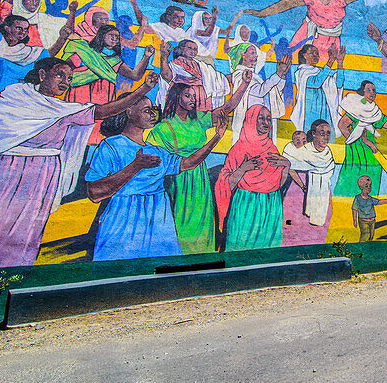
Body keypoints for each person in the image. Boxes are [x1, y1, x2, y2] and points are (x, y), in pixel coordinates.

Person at [0, 60, 155, 270]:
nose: (65, 82)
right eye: (60, 75)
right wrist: (142, 89)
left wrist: (143, 90)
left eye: (69, 79)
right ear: (42, 75)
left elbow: (103, 111)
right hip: (2, 170)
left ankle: (7, 272)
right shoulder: (16, 96)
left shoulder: (64, 110)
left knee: (23, 227)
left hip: (40, 178)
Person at [86, 92, 227, 261]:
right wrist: (135, 166)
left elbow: (187, 164)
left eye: (153, 109)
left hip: (160, 221)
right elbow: (94, 192)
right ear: (129, 111)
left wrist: (217, 137)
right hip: (124, 222)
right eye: (147, 110)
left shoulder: (155, 150)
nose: (153, 113)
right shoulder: (111, 146)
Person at [146, 74, 251, 254]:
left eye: (194, 96)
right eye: (188, 95)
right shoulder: (162, 128)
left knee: (202, 221)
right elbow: (154, 163)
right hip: (177, 183)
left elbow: (226, 108)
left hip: (199, 181)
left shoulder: (198, 120)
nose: (193, 99)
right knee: (180, 222)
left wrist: (244, 84)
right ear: (176, 97)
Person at [239, 0, 387, 63]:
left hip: (331, 40)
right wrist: (261, 13)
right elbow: (288, 3)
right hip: (308, 35)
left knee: (325, 71)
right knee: (293, 65)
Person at [214, 106, 292, 251]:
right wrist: (243, 168)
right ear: (251, 120)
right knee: (242, 248)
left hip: (271, 206)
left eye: (268, 118)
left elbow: (276, 185)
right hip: (246, 205)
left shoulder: (271, 148)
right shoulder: (239, 148)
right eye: (261, 118)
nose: (266, 122)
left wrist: (286, 166)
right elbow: (226, 184)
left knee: (267, 250)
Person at [0, 8, 72, 111]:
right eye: (19, 28)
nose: (23, 32)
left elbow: (49, 53)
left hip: (20, 96)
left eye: (25, 29)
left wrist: (62, 38)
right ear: (7, 28)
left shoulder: (28, 53)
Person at [332, 80, 387, 197]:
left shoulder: (374, 111)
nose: (372, 93)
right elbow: (342, 125)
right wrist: (353, 140)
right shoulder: (357, 108)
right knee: (352, 174)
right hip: (355, 151)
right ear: (362, 92)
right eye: (368, 90)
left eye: (374, 91)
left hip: (370, 150)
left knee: (373, 174)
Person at [61, 24, 154, 104]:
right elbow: (64, 68)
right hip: (80, 94)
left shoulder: (115, 60)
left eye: (117, 37)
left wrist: (146, 57)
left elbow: (135, 75)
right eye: (111, 35)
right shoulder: (85, 52)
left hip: (104, 98)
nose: (114, 39)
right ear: (102, 35)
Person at [283, 119, 338, 239]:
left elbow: (329, 171)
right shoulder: (304, 151)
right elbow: (290, 164)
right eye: (322, 133)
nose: (326, 137)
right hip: (300, 195)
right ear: (314, 133)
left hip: (323, 197)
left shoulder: (328, 153)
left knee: (319, 234)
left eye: (328, 133)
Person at [226, 41, 290, 146]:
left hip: (261, 120)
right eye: (252, 53)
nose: (256, 56)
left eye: (256, 53)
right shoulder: (239, 74)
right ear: (242, 54)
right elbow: (260, 91)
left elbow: (272, 91)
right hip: (250, 121)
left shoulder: (255, 76)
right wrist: (278, 73)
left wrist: (282, 76)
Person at [160, 38, 229, 111]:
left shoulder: (201, 65)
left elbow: (217, 77)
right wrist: (164, 58)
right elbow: (167, 77)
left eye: (195, 49)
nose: (193, 51)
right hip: (184, 99)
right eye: (189, 48)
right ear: (181, 49)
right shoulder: (175, 64)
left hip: (202, 99)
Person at [289, 43, 344, 134]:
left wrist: (340, 63)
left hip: (324, 110)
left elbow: (338, 83)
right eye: (312, 53)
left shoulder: (320, 71)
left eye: (317, 53)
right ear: (304, 55)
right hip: (310, 111)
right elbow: (316, 82)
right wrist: (330, 61)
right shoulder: (302, 72)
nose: (315, 55)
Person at [351, 176, 387, 243]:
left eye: (370, 186)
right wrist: (355, 220)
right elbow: (354, 209)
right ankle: (362, 248)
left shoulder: (370, 198)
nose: (369, 188)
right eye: (366, 186)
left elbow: (378, 202)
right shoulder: (358, 198)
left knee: (371, 236)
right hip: (363, 221)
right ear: (361, 187)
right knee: (365, 235)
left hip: (372, 221)